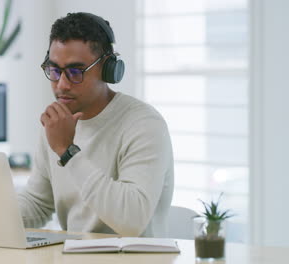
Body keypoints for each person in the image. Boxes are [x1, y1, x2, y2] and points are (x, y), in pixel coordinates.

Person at [18, 12, 174, 237]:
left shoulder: (144, 124)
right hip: (74, 256)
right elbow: (37, 204)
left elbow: (131, 221)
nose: (61, 85)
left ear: (109, 68)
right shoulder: (57, 124)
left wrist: (67, 152)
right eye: (54, 70)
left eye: (75, 72)